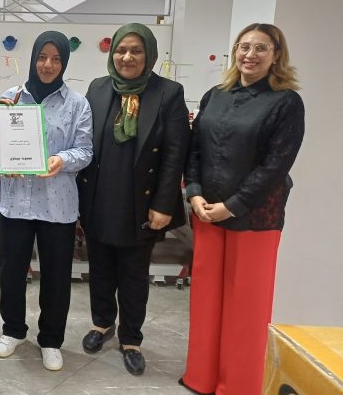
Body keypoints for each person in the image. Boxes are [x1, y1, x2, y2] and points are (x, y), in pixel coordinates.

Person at [180, 23, 304, 395]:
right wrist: (195, 194)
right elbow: (194, 150)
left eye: (260, 48)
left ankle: (237, 386)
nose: (250, 54)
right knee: (205, 300)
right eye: (244, 46)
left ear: (276, 55)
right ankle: (200, 377)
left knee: (246, 306)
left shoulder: (286, 102)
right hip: (207, 213)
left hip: (255, 218)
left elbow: (276, 165)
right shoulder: (214, 96)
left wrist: (233, 206)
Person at [77, 23, 190, 376]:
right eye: (121, 50)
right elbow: (83, 140)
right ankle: (102, 323)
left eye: (136, 51)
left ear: (149, 55)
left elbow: (175, 154)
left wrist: (163, 204)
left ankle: (131, 338)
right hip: (99, 197)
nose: (127, 57)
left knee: (133, 274)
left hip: (141, 202)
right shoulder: (98, 88)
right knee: (99, 268)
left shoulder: (168, 93)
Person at [0, 31, 93, 371]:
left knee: (56, 276)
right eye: (42, 57)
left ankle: (51, 339)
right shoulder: (11, 97)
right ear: (33, 58)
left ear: (64, 62)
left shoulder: (77, 104)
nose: (48, 65)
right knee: (11, 271)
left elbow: (85, 151)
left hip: (57, 204)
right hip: (15, 202)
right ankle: (13, 330)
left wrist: (61, 160)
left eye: (56, 59)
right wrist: (2, 157)